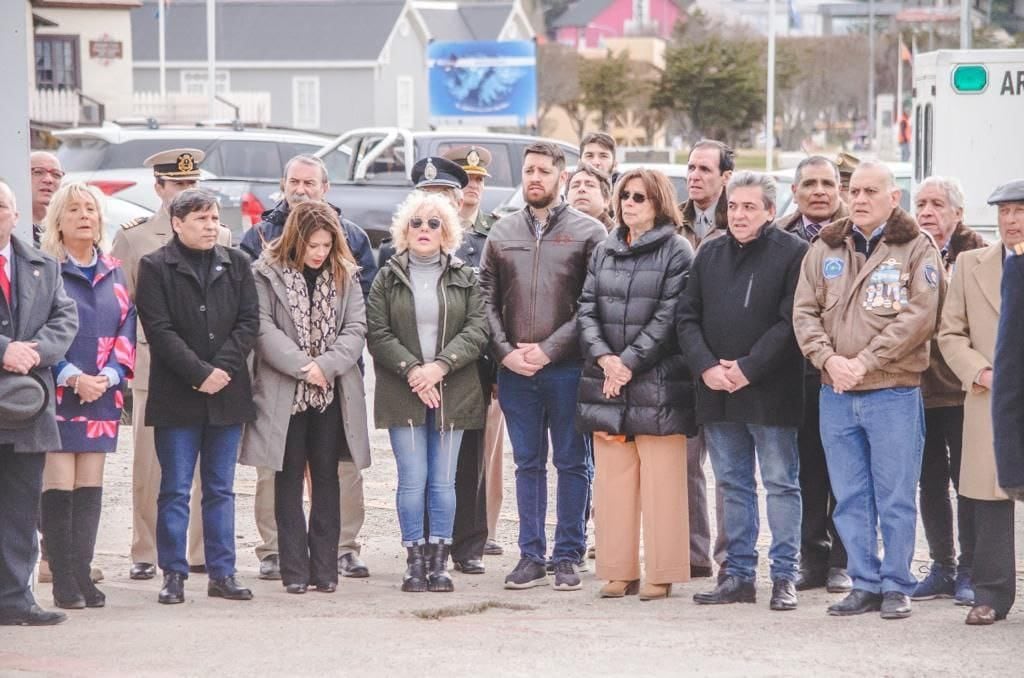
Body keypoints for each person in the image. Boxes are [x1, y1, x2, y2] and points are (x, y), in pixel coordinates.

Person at [793, 161, 943, 620]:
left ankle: (897, 584)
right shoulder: (825, 246)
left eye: (870, 191)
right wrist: (829, 360)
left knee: (895, 494)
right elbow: (804, 312)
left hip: (892, 392)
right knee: (850, 495)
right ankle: (863, 581)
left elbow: (919, 315)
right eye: (853, 190)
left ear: (892, 198)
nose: (858, 199)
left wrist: (864, 360)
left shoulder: (916, 246)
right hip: (835, 393)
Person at [238, 154, 376, 582]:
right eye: (293, 181)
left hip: (333, 385)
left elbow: (358, 322)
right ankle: (284, 560)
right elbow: (257, 324)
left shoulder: (348, 252)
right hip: (283, 384)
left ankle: (334, 558)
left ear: (324, 187)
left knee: (333, 475)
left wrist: (327, 365)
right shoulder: (261, 250)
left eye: (309, 182)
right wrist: (303, 366)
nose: (301, 189)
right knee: (281, 473)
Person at [479, 142, 606, 591]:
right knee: (528, 463)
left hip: (567, 368)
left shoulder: (589, 233)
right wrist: (505, 353)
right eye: (529, 171)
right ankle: (530, 555)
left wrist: (551, 349)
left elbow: (592, 304)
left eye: (544, 171)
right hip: (515, 369)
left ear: (562, 176)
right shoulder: (502, 231)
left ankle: (568, 554)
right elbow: (485, 300)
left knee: (573, 463)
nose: (535, 178)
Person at [678, 172, 808, 610]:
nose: (739, 215)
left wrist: (749, 368)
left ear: (771, 212)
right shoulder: (709, 253)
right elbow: (686, 318)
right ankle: (737, 575)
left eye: (750, 207)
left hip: (770, 390)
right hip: (718, 391)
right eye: (733, 207)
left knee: (780, 484)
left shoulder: (793, 253)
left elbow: (791, 322)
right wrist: (707, 368)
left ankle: (785, 575)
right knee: (732, 484)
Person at [111, 148, 231, 581]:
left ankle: (199, 553)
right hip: (153, 365)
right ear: (159, 188)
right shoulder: (135, 238)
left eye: (192, 183)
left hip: (213, 367)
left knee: (210, 471)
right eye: (178, 184)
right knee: (152, 467)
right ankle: (147, 550)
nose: (186, 190)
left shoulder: (223, 234)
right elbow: (120, 308)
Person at [135, 189, 259, 605]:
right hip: (178, 396)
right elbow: (159, 329)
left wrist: (220, 370)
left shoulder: (237, 263)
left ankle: (223, 572)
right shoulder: (155, 266)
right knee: (174, 488)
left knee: (221, 488)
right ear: (177, 222)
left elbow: (247, 322)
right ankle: (173, 573)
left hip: (226, 392)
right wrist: (198, 373)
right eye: (202, 219)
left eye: (214, 218)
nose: (211, 226)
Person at [576, 168, 695, 601]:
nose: (629, 203)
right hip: (607, 380)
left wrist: (627, 363)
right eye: (625, 195)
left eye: (639, 197)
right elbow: (585, 308)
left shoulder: (677, 250)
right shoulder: (604, 248)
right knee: (613, 482)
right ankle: (617, 570)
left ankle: (661, 572)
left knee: (662, 482)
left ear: (658, 202)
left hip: (658, 381)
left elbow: (670, 316)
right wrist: (605, 359)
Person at [367, 191, 488, 593]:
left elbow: (477, 329)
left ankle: (440, 560)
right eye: (416, 223)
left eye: (433, 223)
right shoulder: (388, 276)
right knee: (412, 479)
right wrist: (414, 371)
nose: (424, 229)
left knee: (443, 481)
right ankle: (414, 559)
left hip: (453, 390)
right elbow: (378, 332)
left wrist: (440, 366)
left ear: (446, 231)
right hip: (405, 391)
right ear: (404, 230)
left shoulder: (464, 275)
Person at [38, 184, 135, 611]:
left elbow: (127, 327)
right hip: (58, 391)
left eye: (90, 209)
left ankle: (82, 571)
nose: (84, 216)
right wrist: (73, 376)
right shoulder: (46, 270)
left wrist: (111, 375)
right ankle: (61, 577)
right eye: (74, 209)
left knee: (91, 485)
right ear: (58, 219)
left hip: (102, 394)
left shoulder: (114, 270)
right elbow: (37, 330)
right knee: (60, 484)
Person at [0, 180, 78, 626]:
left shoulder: (42, 266)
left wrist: (32, 352)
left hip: (26, 406)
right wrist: (3, 349)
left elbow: (65, 317)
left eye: (1, 207)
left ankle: (16, 599)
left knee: (19, 507)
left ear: (15, 215)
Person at [950, 179, 1024, 625]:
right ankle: (991, 594)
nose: (1011, 220)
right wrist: (981, 370)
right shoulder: (970, 263)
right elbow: (950, 331)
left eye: (1019, 210)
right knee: (990, 497)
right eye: (1004, 211)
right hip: (990, 397)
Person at [776, 156, 851, 594]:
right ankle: (812, 558)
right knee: (804, 472)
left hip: (842, 370)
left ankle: (844, 561)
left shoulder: (858, 233)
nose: (819, 190)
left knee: (844, 471)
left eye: (827, 183)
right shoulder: (780, 235)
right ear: (795, 190)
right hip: (792, 372)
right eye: (810, 183)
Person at [911, 176, 986, 605]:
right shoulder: (908, 250)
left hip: (963, 388)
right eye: (920, 203)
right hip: (919, 388)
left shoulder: (977, 254)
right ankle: (942, 565)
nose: (926, 212)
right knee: (929, 481)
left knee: (968, 481)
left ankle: (971, 569)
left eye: (937, 204)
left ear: (957, 213)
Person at [442, 145, 503, 571]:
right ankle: (431, 541)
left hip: (476, 362)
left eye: (480, 180)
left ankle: (471, 543)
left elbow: (499, 303)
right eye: (467, 179)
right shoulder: (423, 230)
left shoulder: (494, 234)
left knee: (475, 459)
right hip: (427, 363)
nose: (474, 187)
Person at [678, 139, 734, 580]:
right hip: (680, 364)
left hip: (726, 365)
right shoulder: (671, 220)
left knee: (729, 468)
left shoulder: (740, 220)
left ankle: (731, 558)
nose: (694, 176)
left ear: (725, 178)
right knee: (685, 466)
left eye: (704, 169)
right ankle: (693, 554)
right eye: (691, 167)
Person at [376, 156, 469, 269]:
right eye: (426, 194)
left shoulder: (478, 247)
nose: (434, 202)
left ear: (459, 204)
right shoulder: (391, 251)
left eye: (442, 195)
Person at [30, 151, 64, 248]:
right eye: (38, 172)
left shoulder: (69, 227)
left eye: (56, 175)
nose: (48, 180)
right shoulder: (9, 227)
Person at [566, 163, 614, 231]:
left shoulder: (619, 237)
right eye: (575, 186)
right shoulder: (553, 232)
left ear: (606, 199)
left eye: (590, 185)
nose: (581, 189)